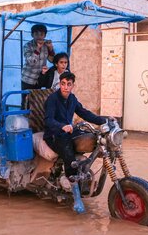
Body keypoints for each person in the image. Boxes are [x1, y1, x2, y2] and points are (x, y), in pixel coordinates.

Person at [44, 71, 110, 214]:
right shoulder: (52, 99)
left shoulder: (72, 99)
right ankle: (77, 198)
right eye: (63, 84)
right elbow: (48, 120)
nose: (65, 87)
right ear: (59, 84)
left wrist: (105, 120)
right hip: (54, 134)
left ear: (73, 86)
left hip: (68, 131)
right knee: (69, 155)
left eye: (69, 84)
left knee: (90, 137)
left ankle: (83, 173)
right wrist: (62, 126)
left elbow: (85, 113)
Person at [22, 24, 55, 92]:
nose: (39, 37)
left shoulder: (46, 45)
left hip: (40, 79)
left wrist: (51, 49)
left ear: (45, 35)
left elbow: (52, 60)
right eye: (36, 34)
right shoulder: (27, 46)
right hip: (28, 78)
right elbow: (31, 62)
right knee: (26, 101)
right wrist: (37, 49)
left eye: (42, 34)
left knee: (37, 100)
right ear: (32, 35)